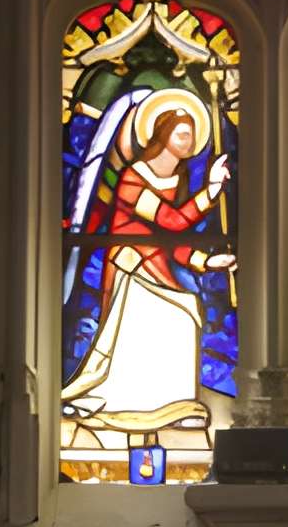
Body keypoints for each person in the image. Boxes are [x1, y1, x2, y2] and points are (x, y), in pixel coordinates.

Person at [63, 90, 234, 430]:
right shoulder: (133, 178)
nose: (189, 141)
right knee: (180, 313)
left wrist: (205, 261)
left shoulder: (178, 179)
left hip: (154, 263)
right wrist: (210, 193)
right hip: (132, 266)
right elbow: (170, 222)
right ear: (163, 134)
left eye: (192, 135)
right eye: (181, 134)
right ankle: (127, 399)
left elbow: (171, 241)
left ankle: (171, 404)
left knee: (188, 311)